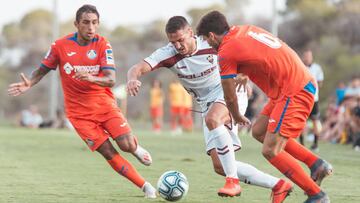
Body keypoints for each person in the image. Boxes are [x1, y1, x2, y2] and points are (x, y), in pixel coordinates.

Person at [127, 16, 293, 202]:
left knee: (213, 119)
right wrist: (132, 78)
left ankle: (233, 182)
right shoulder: (168, 54)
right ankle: (278, 185)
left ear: (191, 33)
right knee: (219, 165)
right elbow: (137, 67)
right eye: (173, 42)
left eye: (181, 40)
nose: (178, 46)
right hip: (207, 104)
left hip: (231, 92)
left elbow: (242, 52)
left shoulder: (209, 43)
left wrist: (244, 74)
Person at [7, 4, 156, 198]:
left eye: (94, 23)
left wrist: (92, 78)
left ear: (98, 24)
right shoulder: (59, 46)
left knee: (126, 144)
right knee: (108, 152)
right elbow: (43, 69)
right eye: (86, 23)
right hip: (79, 114)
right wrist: (30, 83)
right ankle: (146, 187)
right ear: (76, 24)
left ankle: (135, 148)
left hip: (103, 104)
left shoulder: (103, 44)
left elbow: (110, 79)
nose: (91, 27)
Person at [196, 11, 333, 203]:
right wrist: (245, 72)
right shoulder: (244, 30)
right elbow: (262, 52)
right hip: (289, 87)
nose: (208, 45)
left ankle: (316, 195)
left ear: (211, 35)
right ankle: (316, 164)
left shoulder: (225, 51)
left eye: (206, 40)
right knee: (259, 131)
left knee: (270, 150)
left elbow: (230, 96)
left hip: (294, 90)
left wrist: (235, 116)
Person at [299, 49, 324, 151]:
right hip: (301, 99)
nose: (307, 58)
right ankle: (301, 144)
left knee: (315, 121)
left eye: (309, 56)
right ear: (303, 57)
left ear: (311, 57)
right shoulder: (299, 66)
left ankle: (315, 144)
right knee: (301, 121)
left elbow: (320, 82)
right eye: (306, 56)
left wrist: (314, 89)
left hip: (314, 99)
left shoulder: (317, 68)